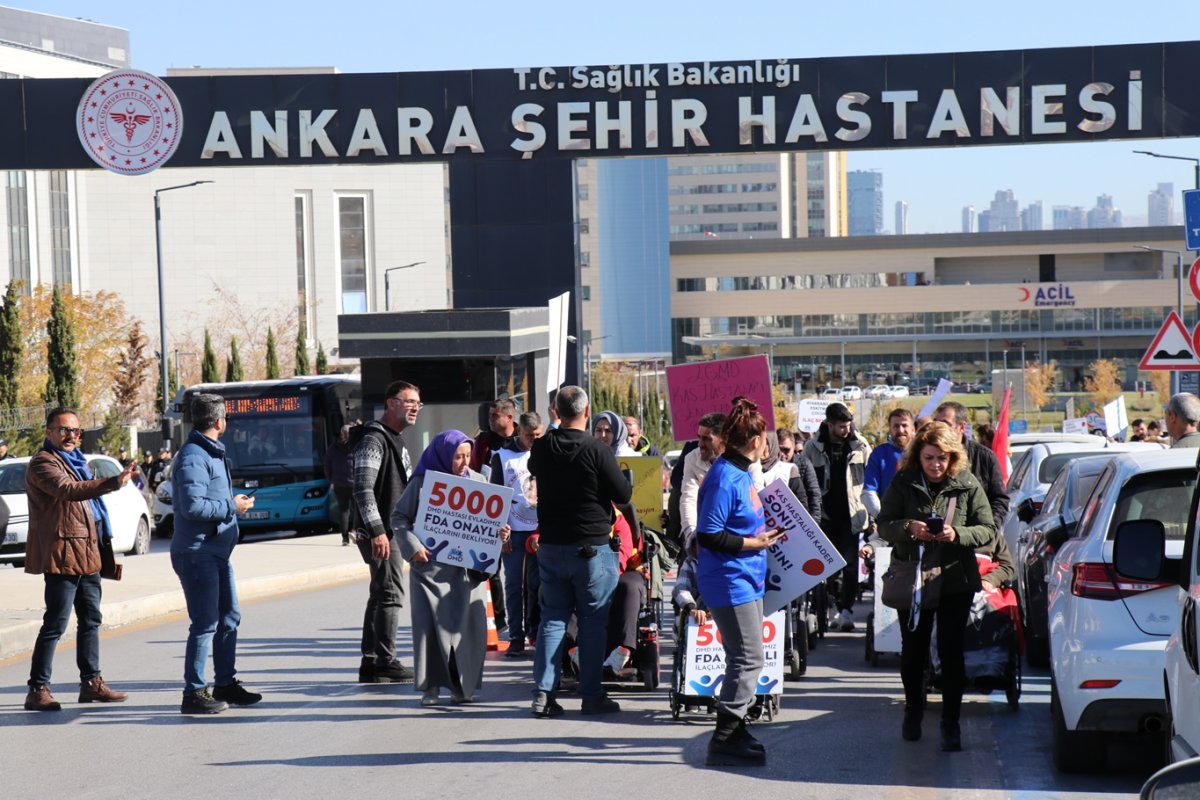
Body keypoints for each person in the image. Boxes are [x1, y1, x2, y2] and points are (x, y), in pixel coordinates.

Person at [876, 421, 997, 752]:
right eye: (930, 457)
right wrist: (909, 528)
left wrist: (957, 535)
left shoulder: (967, 483)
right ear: (919, 455)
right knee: (913, 652)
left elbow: (988, 529)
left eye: (942, 458)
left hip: (955, 579)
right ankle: (913, 711)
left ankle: (950, 723)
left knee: (951, 651)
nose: (935, 465)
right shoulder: (904, 481)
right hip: (913, 579)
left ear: (953, 457)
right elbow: (884, 526)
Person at [528, 385, 631, 718]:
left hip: (552, 547)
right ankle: (591, 694)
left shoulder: (543, 448)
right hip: (591, 549)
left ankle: (544, 695)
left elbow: (534, 467)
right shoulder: (596, 450)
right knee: (592, 623)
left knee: (553, 620)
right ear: (587, 413)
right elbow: (623, 494)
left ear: (556, 412)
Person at [23, 407, 136, 712]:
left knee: (91, 619)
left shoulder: (79, 463)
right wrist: (113, 482)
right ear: (48, 433)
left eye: (76, 431)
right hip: (62, 554)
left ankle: (91, 684)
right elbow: (68, 491)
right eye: (64, 430)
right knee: (56, 623)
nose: (71, 436)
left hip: (88, 552)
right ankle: (38, 688)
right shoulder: (43, 463)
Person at [695, 397, 784, 766]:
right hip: (729, 581)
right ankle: (726, 734)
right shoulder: (724, 477)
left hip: (744, 579)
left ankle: (733, 726)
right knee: (749, 658)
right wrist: (755, 542)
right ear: (755, 440)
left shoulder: (741, 472)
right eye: (764, 437)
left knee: (742, 657)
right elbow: (708, 534)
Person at [392, 430, 509, 705]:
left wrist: (500, 534)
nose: (464, 462)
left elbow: (491, 524)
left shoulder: (480, 481)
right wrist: (413, 547)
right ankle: (431, 688)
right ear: (444, 455)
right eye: (458, 456)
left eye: (468, 455)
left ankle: (461, 688)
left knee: (468, 632)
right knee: (430, 631)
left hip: (469, 574)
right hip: (431, 573)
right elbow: (399, 517)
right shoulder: (423, 482)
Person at [171, 394, 262, 714]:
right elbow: (192, 506)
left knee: (228, 618)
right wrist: (231, 506)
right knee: (205, 622)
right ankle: (194, 692)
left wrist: (230, 503)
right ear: (219, 421)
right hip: (198, 553)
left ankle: (225, 683)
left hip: (216, 551)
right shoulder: (194, 456)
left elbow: (206, 497)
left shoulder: (209, 452)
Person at [351, 380, 421, 684]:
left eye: (419, 402)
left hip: (387, 529)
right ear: (391, 403)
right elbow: (363, 488)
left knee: (380, 592)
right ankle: (385, 660)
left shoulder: (394, 438)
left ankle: (371, 661)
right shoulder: (374, 439)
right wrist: (377, 530)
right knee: (390, 592)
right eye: (409, 401)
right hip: (381, 531)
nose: (416, 407)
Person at [804, 402, 872, 632]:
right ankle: (832, 602)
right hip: (824, 517)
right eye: (841, 427)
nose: (846, 430)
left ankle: (846, 610)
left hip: (851, 516)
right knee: (828, 566)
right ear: (828, 425)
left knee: (851, 565)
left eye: (848, 425)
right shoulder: (811, 448)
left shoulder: (860, 446)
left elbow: (870, 482)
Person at [489, 411, 543, 658]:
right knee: (513, 585)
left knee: (536, 585)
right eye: (530, 435)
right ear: (519, 432)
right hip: (513, 531)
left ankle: (534, 631)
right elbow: (496, 495)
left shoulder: (544, 453)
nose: (534, 439)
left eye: (538, 435)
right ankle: (516, 636)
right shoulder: (502, 457)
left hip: (538, 530)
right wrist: (501, 530)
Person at [934, 402, 1009, 525]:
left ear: (962, 427)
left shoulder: (984, 457)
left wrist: (989, 530)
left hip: (977, 537)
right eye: (936, 423)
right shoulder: (928, 457)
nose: (939, 429)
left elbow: (999, 499)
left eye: (945, 424)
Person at [603, 505, 644, 676]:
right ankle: (572, 650)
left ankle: (623, 649)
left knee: (629, 587)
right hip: (584, 568)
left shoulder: (618, 515)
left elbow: (624, 549)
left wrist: (605, 573)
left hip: (621, 568)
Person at [680, 412, 728, 541]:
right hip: (704, 529)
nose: (700, 444)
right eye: (699, 437)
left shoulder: (745, 459)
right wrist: (690, 533)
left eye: (707, 439)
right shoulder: (691, 458)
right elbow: (689, 498)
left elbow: (755, 496)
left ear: (724, 438)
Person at [863, 408, 914, 518]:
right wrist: (883, 517)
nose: (900, 430)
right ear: (890, 430)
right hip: (889, 522)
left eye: (904, 425)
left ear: (913, 428)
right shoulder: (879, 454)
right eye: (896, 426)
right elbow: (869, 491)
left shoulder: (923, 453)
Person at [778, 429, 822, 519]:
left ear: (793, 447)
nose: (782, 454)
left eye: (786, 450)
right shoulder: (768, 466)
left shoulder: (804, 464)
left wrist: (814, 523)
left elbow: (814, 494)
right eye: (779, 450)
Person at [324, 424, 356, 546]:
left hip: (339, 484)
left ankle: (345, 538)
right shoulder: (356, 446)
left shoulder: (333, 447)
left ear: (342, 434)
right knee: (358, 509)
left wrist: (331, 479)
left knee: (344, 510)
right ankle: (356, 531)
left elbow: (327, 466)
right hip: (354, 483)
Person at [471, 397, 518, 474]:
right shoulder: (483, 441)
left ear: (509, 418)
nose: (490, 419)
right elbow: (474, 471)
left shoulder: (524, 439)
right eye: (490, 415)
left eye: (495, 416)